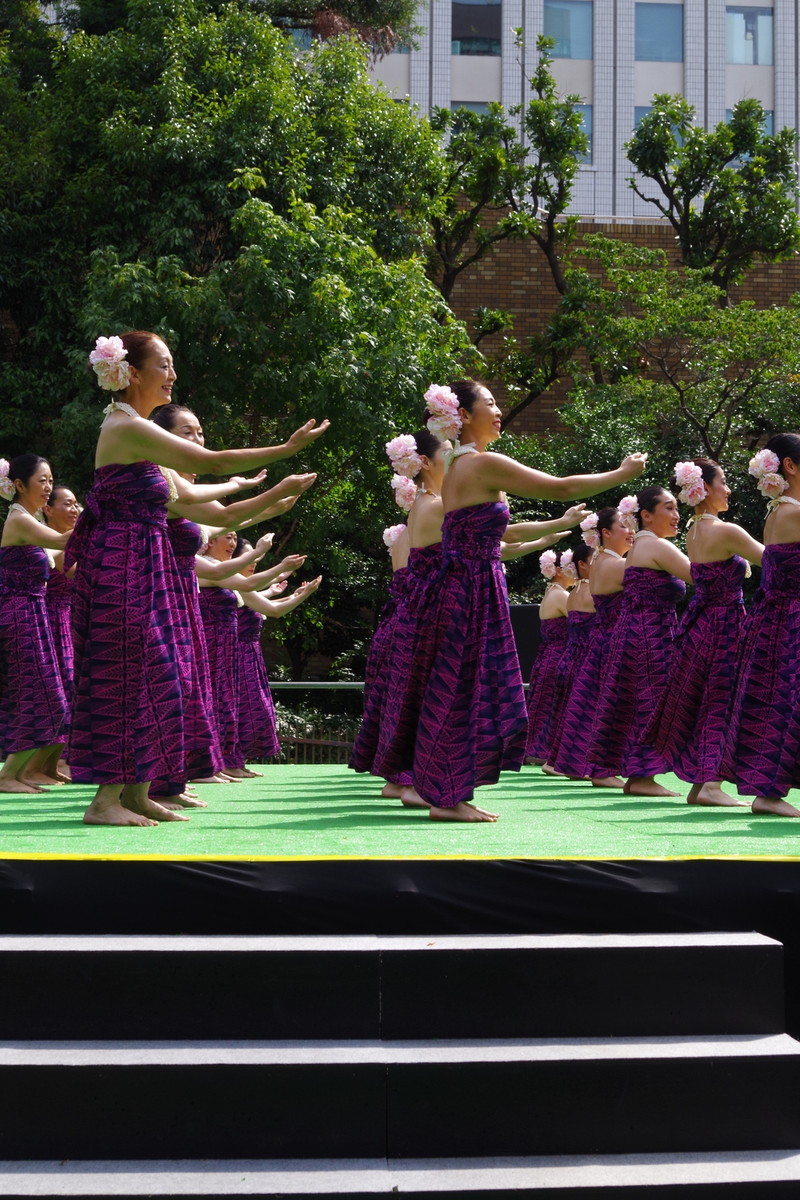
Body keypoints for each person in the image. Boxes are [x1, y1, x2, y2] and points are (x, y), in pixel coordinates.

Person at [68, 330, 328, 826]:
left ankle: (138, 792)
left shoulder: (142, 439)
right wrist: (286, 448)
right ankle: (104, 801)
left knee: (161, 675)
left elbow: (202, 505)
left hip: (147, 567)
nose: (172, 374)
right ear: (132, 373)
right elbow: (209, 463)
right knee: (129, 677)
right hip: (122, 565)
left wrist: (268, 495)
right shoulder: (124, 427)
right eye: (163, 365)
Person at [375, 379, 647, 821]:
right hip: (468, 588)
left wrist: (552, 527)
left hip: (468, 584)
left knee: (464, 688)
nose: (499, 410)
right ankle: (446, 796)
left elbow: (501, 533)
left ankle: (448, 791)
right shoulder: (479, 463)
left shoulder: (460, 467)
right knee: (463, 688)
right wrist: (620, 473)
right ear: (463, 415)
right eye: (490, 403)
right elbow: (560, 487)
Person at [647, 459, 763, 806]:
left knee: (709, 699)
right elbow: (770, 557)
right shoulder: (725, 531)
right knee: (721, 699)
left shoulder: (693, 531)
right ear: (704, 488)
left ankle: (702, 784)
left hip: (701, 622)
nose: (728, 489)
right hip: (724, 624)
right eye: (723, 482)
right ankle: (711, 784)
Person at [587, 485, 692, 797]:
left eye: (676, 508)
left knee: (637, 702)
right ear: (646, 515)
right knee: (650, 701)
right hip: (649, 635)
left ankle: (637, 776)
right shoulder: (655, 546)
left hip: (637, 631)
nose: (676, 515)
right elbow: (699, 574)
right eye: (669, 508)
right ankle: (643, 777)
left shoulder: (640, 549)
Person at [719, 435, 800, 816]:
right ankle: (767, 792)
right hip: (791, 620)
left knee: (779, 702)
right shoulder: (793, 513)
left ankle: (768, 791)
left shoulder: (778, 511)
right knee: (783, 702)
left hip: (777, 619)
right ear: (790, 466)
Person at [0, 455, 70, 793]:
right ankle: (8, 775)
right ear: (19, 485)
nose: (48, 487)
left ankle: (20, 773)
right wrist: (105, 518)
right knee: (41, 696)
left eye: (50, 480)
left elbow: (59, 556)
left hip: (32, 614)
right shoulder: (19, 520)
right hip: (18, 615)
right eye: (42, 481)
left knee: (47, 697)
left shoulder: (29, 521)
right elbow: (62, 542)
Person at [551, 507, 633, 786]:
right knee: (606, 706)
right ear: (605, 533)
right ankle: (601, 769)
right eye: (624, 525)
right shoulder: (613, 564)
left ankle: (588, 765)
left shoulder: (599, 565)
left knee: (591, 705)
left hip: (598, 642)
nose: (631, 531)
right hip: (610, 642)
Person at [230, 541, 322, 776]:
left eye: (256, 558)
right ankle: (230, 763)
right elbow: (272, 609)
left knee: (252, 709)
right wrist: (303, 594)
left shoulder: (241, 587)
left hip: (249, 656)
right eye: (249, 558)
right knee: (244, 708)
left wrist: (291, 594)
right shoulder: (234, 584)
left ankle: (237, 762)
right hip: (236, 657)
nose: (253, 563)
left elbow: (264, 602)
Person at [540, 540, 597, 776]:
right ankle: (570, 762)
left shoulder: (569, 593)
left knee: (566, 712)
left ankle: (560, 760)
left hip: (564, 656)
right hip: (571, 657)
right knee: (578, 713)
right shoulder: (569, 595)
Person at [524, 549, 574, 768]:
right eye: (570, 567)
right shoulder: (561, 595)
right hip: (557, 657)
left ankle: (536, 749)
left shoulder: (551, 593)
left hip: (548, 656)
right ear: (559, 571)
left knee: (545, 705)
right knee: (552, 706)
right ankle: (544, 750)